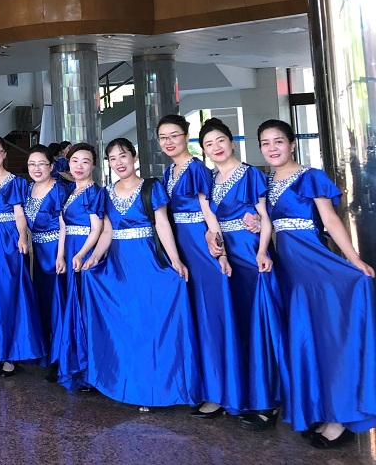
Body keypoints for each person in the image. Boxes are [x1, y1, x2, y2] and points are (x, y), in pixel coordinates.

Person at [258, 119, 376, 449]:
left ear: (292, 144)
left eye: (278, 141)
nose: (272, 148)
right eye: (265, 143)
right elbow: (268, 222)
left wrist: (354, 261)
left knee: (328, 340)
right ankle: (322, 411)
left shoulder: (311, 176)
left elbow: (331, 221)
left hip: (315, 268)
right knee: (306, 341)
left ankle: (340, 418)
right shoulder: (267, 182)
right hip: (289, 271)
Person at [81, 138, 199, 410]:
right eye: (112, 158)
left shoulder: (151, 187)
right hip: (119, 266)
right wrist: (95, 257)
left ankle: (155, 390)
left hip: (147, 262)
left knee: (149, 325)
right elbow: (107, 231)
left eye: (123, 156)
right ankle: (128, 386)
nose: (118, 162)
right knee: (128, 326)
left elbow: (162, 225)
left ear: (134, 158)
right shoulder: (105, 193)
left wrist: (175, 260)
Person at [200, 117, 285, 431]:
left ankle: (268, 403)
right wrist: (219, 250)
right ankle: (245, 395)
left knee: (260, 325)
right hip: (228, 258)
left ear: (231, 141)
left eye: (220, 140)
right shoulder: (209, 179)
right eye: (209, 144)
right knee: (239, 326)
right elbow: (212, 223)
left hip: (252, 254)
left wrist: (262, 251)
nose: (216, 147)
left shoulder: (250, 174)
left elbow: (265, 218)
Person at [156, 114, 242, 419]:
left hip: (200, 246)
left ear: (186, 136)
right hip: (180, 245)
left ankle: (219, 393)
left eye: (174, 135)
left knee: (209, 319)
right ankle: (198, 385)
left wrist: (219, 250)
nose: (169, 142)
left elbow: (209, 211)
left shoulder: (196, 169)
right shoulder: (169, 172)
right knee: (190, 317)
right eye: (163, 137)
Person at [0, 134, 43, 376]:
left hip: (7, 242)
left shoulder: (15, 182)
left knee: (8, 294)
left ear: (4, 153)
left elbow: (20, 214)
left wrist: (23, 237)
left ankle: (11, 353)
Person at [55, 142, 103, 390]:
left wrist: (82, 254)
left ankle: (91, 369)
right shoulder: (70, 191)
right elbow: (63, 227)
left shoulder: (94, 192)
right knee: (73, 307)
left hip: (87, 252)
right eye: (74, 161)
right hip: (71, 250)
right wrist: (60, 256)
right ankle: (78, 364)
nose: (79, 166)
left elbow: (97, 229)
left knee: (86, 309)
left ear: (93, 165)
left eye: (85, 161)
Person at [24, 144, 70, 374]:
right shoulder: (28, 189)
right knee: (44, 302)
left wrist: (60, 255)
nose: (37, 168)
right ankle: (50, 353)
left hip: (55, 251)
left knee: (58, 301)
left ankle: (63, 358)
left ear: (51, 166)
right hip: (38, 251)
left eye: (42, 163)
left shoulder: (60, 189)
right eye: (32, 164)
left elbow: (64, 226)